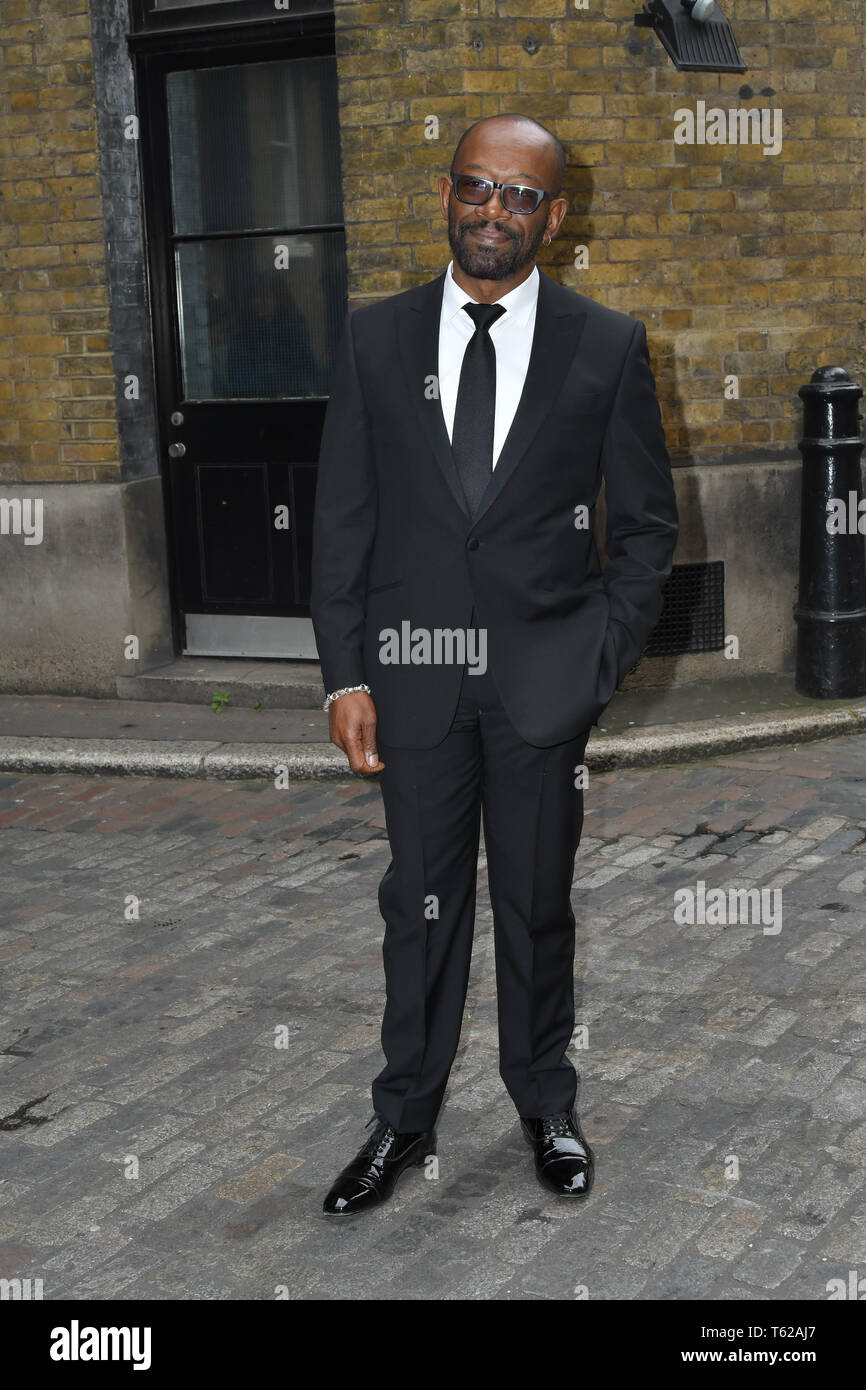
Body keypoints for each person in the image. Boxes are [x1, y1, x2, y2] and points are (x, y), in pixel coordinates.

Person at [310, 113, 678, 1215]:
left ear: (554, 217)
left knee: (534, 905)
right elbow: (341, 522)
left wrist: (595, 658)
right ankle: (403, 1114)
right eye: (476, 186)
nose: (491, 210)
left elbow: (647, 529)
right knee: (414, 904)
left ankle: (543, 1101)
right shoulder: (375, 341)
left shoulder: (604, 344)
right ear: (445, 192)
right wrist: (344, 674)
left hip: (539, 690)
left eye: (519, 196)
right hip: (412, 676)